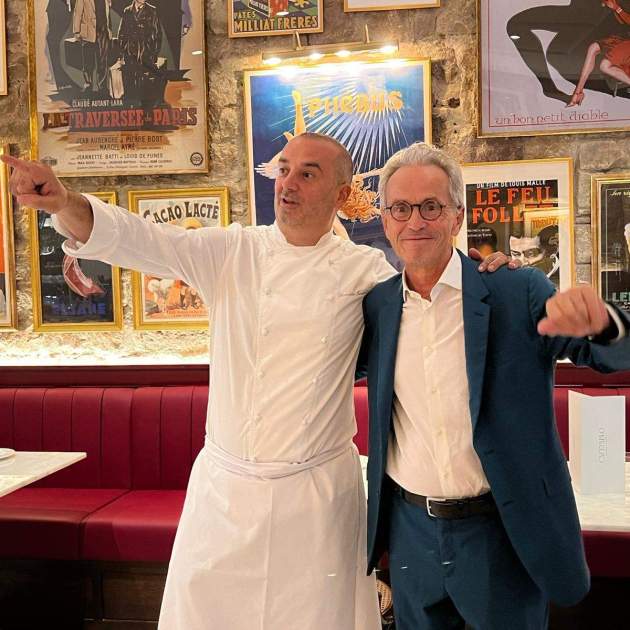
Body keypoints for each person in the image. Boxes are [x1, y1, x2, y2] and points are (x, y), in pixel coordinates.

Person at [1, 136, 513, 630]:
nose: (288, 183)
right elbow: (141, 240)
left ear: (341, 194)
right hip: (226, 494)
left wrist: (490, 277)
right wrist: (62, 201)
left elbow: (434, 306)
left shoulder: (366, 272)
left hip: (316, 498)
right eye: (284, 169)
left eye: (307, 174)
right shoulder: (232, 251)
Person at [358, 142, 630, 630]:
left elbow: (607, 354)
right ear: (385, 220)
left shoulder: (515, 289)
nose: (415, 221)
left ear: (457, 216)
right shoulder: (377, 306)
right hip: (411, 534)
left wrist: (603, 323)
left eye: (431, 206)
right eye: (400, 208)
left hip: (502, 530)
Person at [567, 0, 630, 106]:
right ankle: (578, 92)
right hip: (622, 36)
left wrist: (617, 8)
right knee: (593, 47)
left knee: (604, 66)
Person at [117, 0, 162, 106]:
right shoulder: (127, 11)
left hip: (146, 53)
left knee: (145, 84)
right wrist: (122, 52)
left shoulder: (152, 11)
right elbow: (121, 34)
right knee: (130, 83)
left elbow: (158, 35)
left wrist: (154, 54)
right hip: (130, 53)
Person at [72, 0, 112, 94]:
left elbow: (107, 13)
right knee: (88, 61)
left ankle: (102, 85)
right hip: (88, 33)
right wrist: (76, 31)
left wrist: (109, 30)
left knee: (102, 61)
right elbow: (78, 12)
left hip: (103, 32)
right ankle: (88, 84)